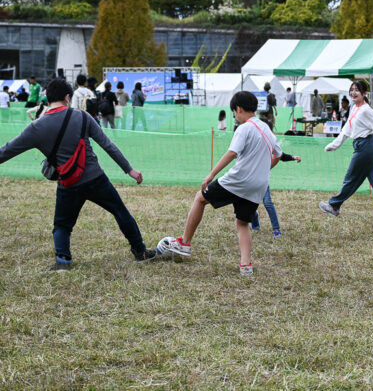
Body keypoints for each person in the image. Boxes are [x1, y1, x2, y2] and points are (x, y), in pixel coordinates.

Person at [0, 78, 155, 271]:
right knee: (120, 211)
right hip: (95, 178)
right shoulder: (82, 117)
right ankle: (140, 252)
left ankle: (63, 261)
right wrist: (129, 170)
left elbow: (6, 151)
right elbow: (108, 145)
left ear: (47, 99)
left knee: (62, 225)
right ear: (67, 97)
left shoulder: (36, 127)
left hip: (68, 183)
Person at [159, 91, 282, 275]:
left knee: (200, 198)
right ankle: (246, 265)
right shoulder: (266, 128)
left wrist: (211, 175)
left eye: (234, 112)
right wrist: (262, 171)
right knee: (242, 222)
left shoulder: (244, 128)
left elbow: (232, 153)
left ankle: (184, 242)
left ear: (238, 109)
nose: (234, 116)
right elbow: (278, 154)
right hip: (259, 185)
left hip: (238, 180)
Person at [319, 80, 373, 220]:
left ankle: (334, 206)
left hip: (366, 147)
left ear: (364, 93)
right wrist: (335, 144)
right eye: (351, 89)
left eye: (357, 90)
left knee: (351, 178)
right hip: (363, 146)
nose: (353, 92)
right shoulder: (354, 108)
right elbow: (347, 128)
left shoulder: (366, 110)